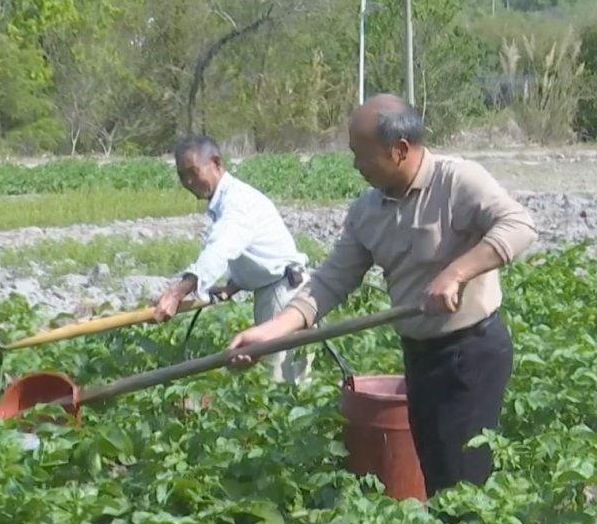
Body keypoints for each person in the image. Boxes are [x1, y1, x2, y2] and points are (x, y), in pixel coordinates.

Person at [226, 94, 538, 499]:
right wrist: (273, 332)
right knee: (436, 476)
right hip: (419, 355)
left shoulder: (457, 180)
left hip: (471, 353)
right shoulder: (367, 211)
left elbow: (519, 225)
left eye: (362, 154)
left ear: (400, 149)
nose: (356, 165)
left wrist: (456, 273)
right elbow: (329, 281)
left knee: (463, 485)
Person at [153, 135, 315, 385]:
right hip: (279, 290)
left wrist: (176, 293)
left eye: (193, 172)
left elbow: (219, 251)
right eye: (182, 175)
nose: (188, 181)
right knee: (286, 383)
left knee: (284, 386)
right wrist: (234, 285)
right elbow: (256, 251)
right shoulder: (229, 200)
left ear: (216, 163)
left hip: (284, 296)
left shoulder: (237, 204)